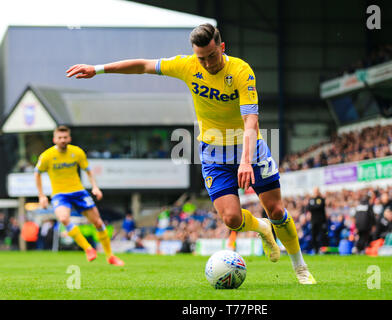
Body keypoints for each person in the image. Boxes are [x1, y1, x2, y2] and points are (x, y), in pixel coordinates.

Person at [66, 23, 315, 284]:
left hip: (248, 148)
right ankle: (261, 227)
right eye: (201, 58)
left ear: (222, 47)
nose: (207, 63)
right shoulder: (187, 66)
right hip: (213, 152)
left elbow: (251, 120)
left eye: (212, 56)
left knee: (275, 209)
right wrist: (98, 69)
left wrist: (245, 161)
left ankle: (300, 267)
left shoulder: (241, 71)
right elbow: (142, 65)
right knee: (231, 219)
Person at [34, 125, 124, 266]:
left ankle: (110, 256)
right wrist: (41, 196)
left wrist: (95, 187)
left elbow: (88, 171)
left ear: (69, 138)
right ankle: (88, 248)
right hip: (60, 194)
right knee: (63, 218)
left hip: (78, 192)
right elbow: (37, 173)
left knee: (98, 223)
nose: (63, 140)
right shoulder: (46, 156)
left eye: (65, 137)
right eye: (60, 138)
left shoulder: (77, 152)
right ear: (54, 139)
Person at [306, 187, 328, 254]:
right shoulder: (311, 199)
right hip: (313, 221)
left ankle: (323, 250)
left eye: (316, 191)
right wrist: (315, 206)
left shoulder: (321, 199)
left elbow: (320, 206)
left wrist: (314, 206)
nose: (315, 192)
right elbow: (309, 207)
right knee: (314, 236)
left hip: (321, 221)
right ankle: (316, 250)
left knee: (323, 235)